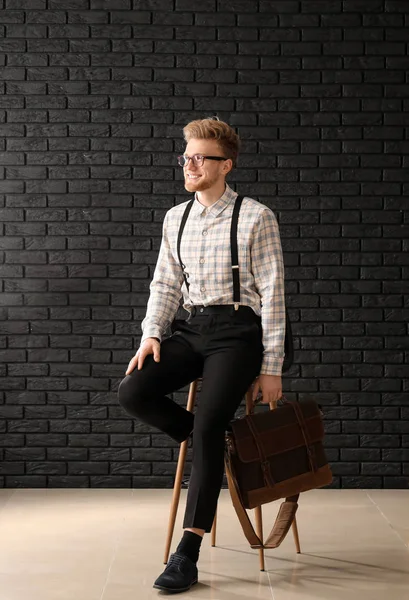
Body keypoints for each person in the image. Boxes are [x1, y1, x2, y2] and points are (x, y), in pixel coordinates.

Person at [117, 117, 286, 593]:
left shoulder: (256, 216)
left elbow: (274, 295)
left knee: (212, 424)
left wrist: (271, 367)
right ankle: (214, 442)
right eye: (186, 156)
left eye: (199, 157)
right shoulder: (177, 217)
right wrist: (151, 334)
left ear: (224, 165)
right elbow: (165, 283)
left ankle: (186, 554)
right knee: (133, 391)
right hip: (192, 329)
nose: (188, 164)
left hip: (238, 331)